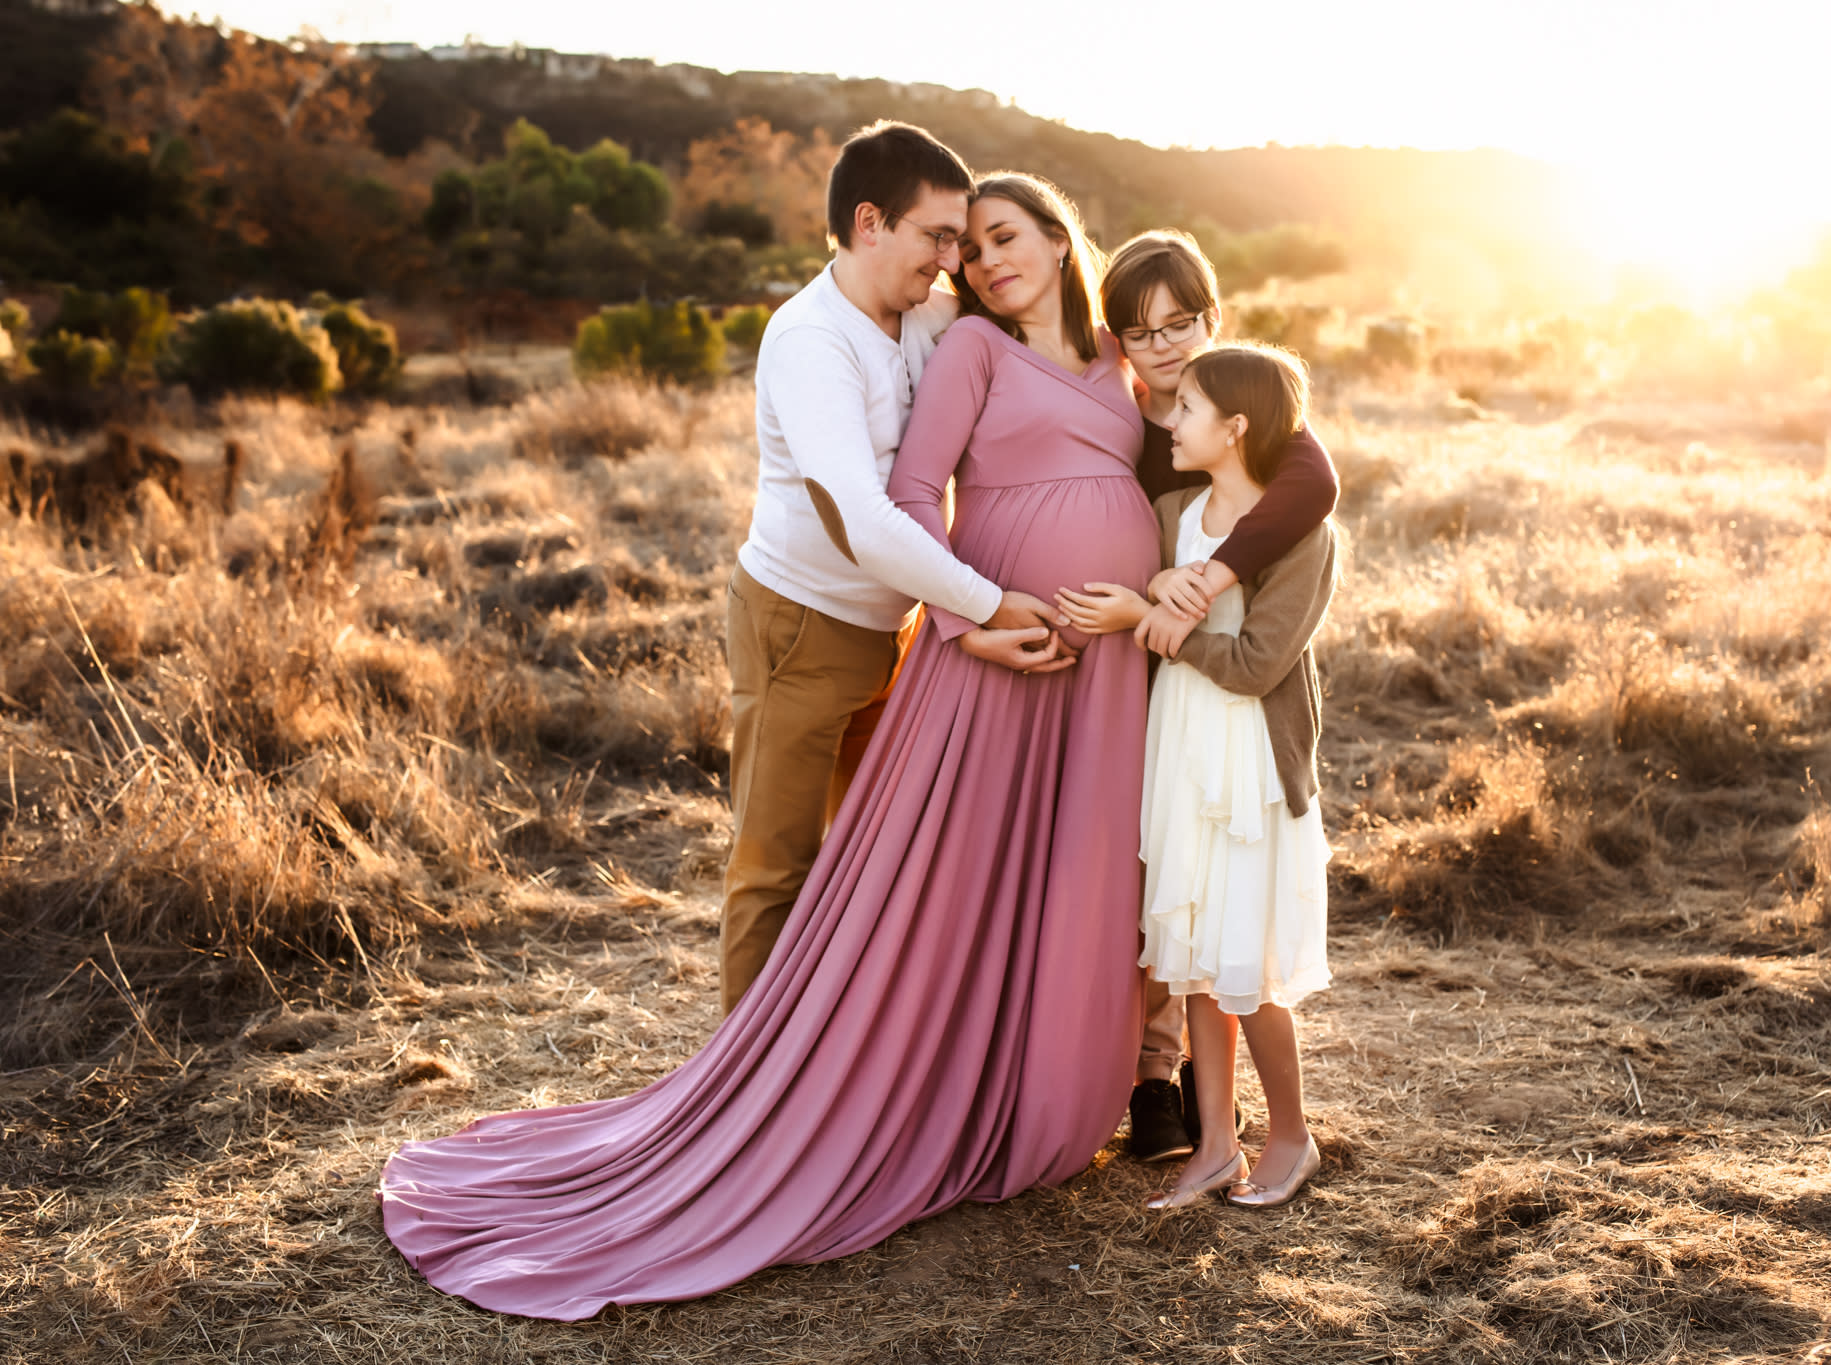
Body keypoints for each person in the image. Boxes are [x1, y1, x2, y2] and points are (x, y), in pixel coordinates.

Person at [378, 169, 1155, 1320]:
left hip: (1101, 664)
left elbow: (1206, 445)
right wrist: (970, 619)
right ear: (872, 227)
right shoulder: (921, 342)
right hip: (934, 642)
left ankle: (1061, 1081)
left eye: (997, 239)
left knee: (1067, 873)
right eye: (962, 242)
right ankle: (771, 1096)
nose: (977, 261)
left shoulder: (1090, 346)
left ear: (1058, 235)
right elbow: (895, 492)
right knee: (849, 868)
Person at [721, 121, 1063, 1017]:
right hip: (801, 626)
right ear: (869, 222)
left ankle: (840, 1060)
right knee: (776, 864)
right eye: (937, 237)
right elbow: (861, 520)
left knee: (879, 854)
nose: (953, 260)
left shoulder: (924, 314)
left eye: (961, 241)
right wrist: (986, 605)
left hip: (898, 631)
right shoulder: (810, 341)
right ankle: (743, 1110)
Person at [1058, 342, 1337, 1209]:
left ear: (1236, 426)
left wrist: (1150, 615)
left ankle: (1291, 1135)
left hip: (1248, 764)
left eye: (1186, 408)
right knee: (1198, 967)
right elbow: (1143, 582)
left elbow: (1257, 663)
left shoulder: (1302, 539)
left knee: (1245, 965)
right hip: (1181, 751)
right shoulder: (1176, 508)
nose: (1168, 420)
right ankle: (1217, 1143)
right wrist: (1146, 592)